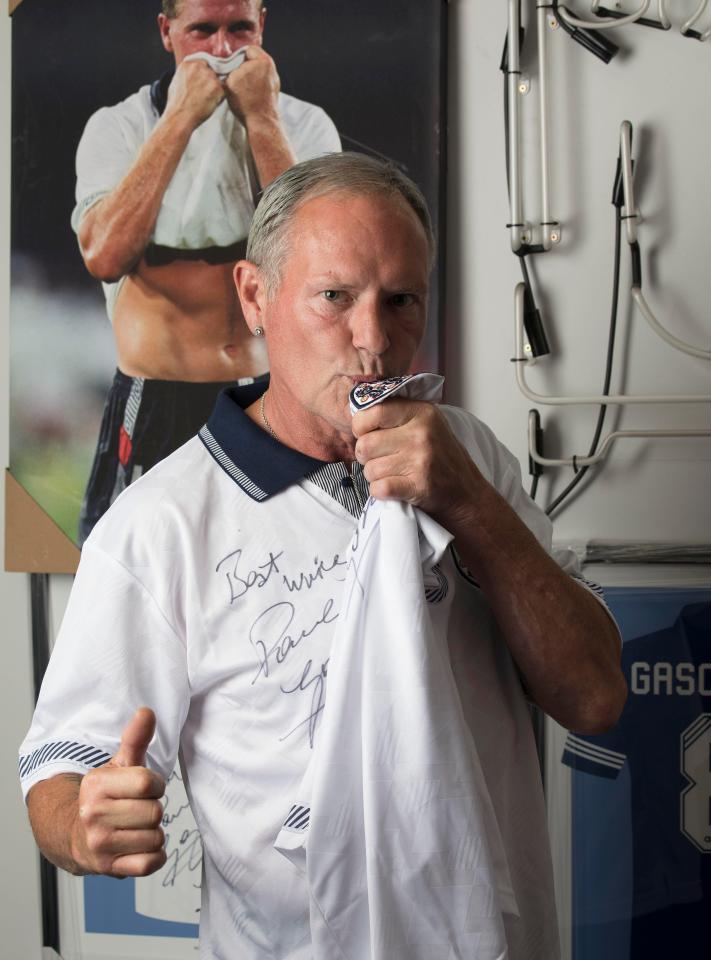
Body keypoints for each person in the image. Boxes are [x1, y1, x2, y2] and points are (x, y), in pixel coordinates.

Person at [21, 153, 626, 959]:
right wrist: (85, 825)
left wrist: (470, 504)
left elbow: (593, 698)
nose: (373, 341)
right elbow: (61, 776)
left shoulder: (471, 454)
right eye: (334, 297)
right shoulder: (160, 523)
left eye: (400, 300)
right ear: (254, 296)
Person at [72, 0, 340, 543]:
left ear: (262, 26)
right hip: (155, 396)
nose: (223, 51)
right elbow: (104, 255)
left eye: (239, 28)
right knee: (135, 570)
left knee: (277, 571)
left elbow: (328, 267)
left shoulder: (306, 125)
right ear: (167, 33)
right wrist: (179, 117)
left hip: (270, 395)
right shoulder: (118, 126)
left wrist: (263, 118)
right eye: (203, 31)